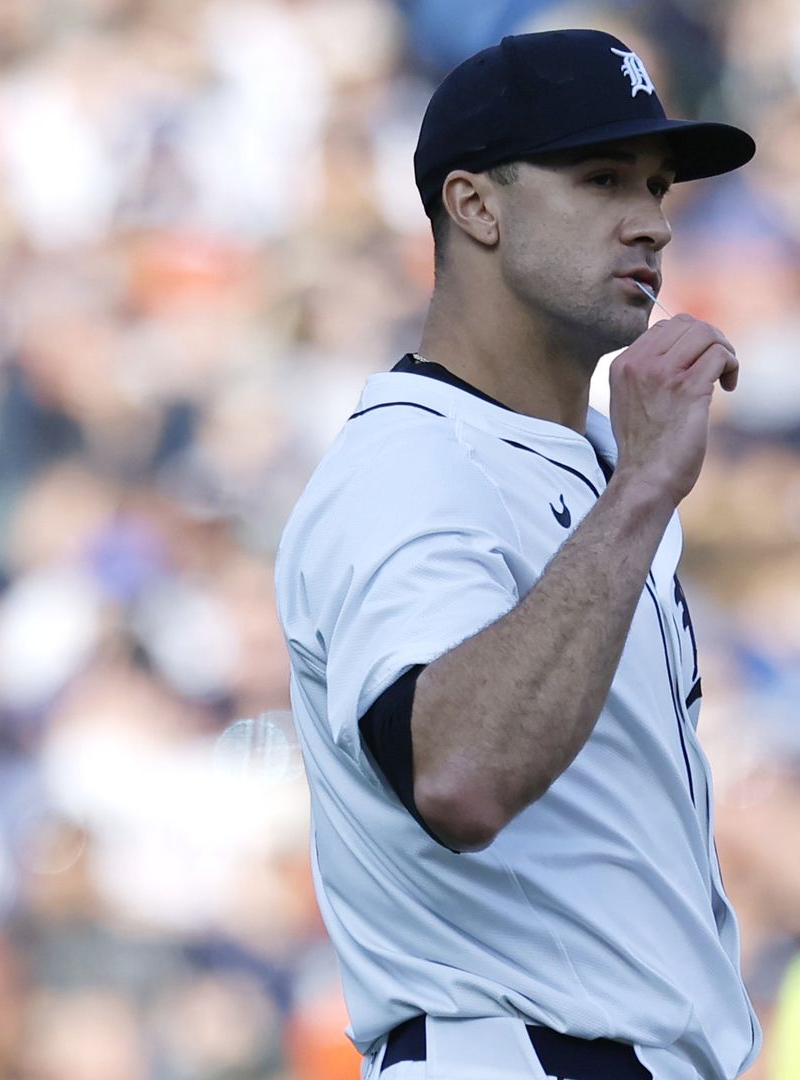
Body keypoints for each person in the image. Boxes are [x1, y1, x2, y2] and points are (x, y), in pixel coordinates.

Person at [272, 28, 759, 1080]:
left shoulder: (590, 459)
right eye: (601, 178)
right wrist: (642, 490)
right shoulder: (413, 460)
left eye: (657, 185)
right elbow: (459, 775)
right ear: (475, 206)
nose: (652, 221)